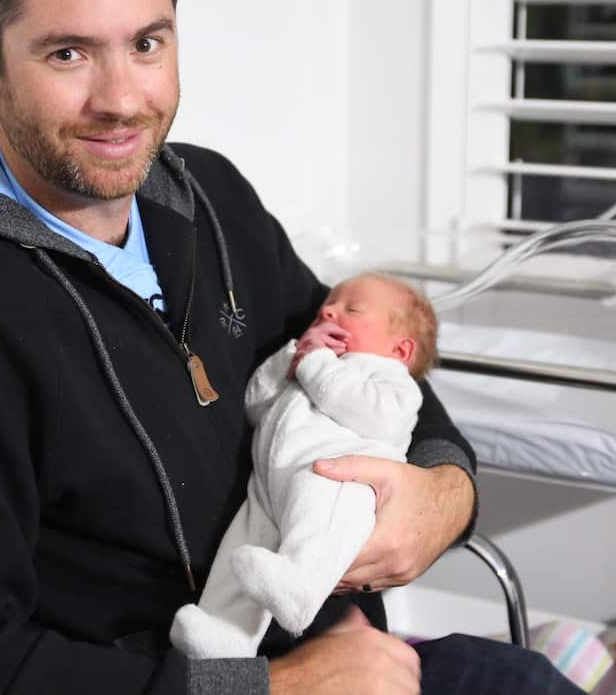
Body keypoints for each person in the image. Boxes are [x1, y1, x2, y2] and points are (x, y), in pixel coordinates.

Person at [0, 0, 580, 695]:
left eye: (147, 44)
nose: (121, 101)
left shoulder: (207, 199)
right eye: (68, 53)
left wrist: (445, 487)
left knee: (525, 680)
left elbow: (368, 351)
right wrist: (279, 688)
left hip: (355, 664)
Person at [172, 274, 438, 658]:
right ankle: (224, 636)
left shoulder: (388, 378)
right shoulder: (306, 360)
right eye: (328, 305)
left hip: (337, 476)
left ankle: (300, 590)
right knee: (241, 553)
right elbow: (254, 405)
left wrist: (316, 365)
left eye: (352, 309)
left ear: (401, 350)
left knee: (319, 526)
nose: (328, 310)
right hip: (268, 485)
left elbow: (379, 418)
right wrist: (290, 359)